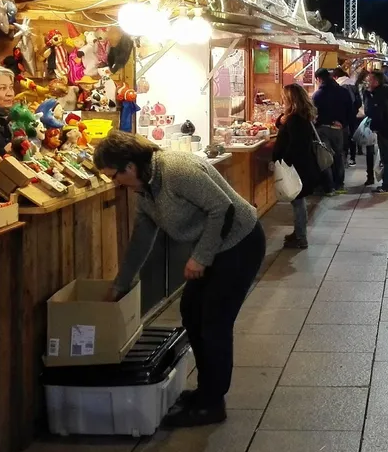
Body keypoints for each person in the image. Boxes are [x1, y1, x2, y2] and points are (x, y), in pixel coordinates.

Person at [96, 130, 266, 427]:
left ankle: (212, 403)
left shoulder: (176, 170)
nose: (116, 184)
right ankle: (205, 391)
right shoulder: (146, 190)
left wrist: (201, 256)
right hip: (215, 247)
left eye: (115, 176)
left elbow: (222, 209)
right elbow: (141, 238)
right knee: (191, 313)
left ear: (130, 167)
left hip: (240, 242)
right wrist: (120, 284)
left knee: (213, 322)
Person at [272, 83, 325, 249]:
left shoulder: (296, 119)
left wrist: (284, 163)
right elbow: (280, 124)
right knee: (298, 200)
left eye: (285, 96)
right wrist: (280, 119)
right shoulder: (298, 115)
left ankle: (301, 237)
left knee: (298, 201)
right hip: (301, 165)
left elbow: (295, 145)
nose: (282, 98)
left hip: (297, 167)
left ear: (291, 98)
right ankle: (298, 233)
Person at [313, 68, 353, 193]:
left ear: (319, 79)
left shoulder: (318, 94)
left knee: (325, 157)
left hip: (323, 129)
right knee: (339, 156)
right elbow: (351, 109)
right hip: (339, 129)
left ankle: (329, 187)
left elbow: (314, 114)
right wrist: (344, 123)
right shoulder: (343, 91)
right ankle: (339, 184)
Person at [365, 70, 388, 193]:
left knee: (386, 158)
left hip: (385, 129)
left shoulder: (379, 95)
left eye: (370, 79)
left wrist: (368, 96)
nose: (368, 82)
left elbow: (374, 112)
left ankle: (387, 185)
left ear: (376, 81)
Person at [334, 67, 362, 167]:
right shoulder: (353, 84)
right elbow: (358, 101)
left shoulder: (339, 85)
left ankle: (344, 159)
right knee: (352, 136)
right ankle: (352, 158)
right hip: (353, 114)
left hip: (343, 116)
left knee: (343, 138)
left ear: (336, 76)